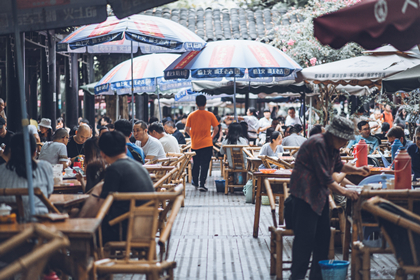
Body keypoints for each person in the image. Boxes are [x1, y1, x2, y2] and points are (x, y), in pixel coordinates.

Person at [286, 116, 369, 279]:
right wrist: (345, 192)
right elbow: (325, 177)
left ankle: (316, 277)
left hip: (319, 199)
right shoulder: (318, 143)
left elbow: (338, 166)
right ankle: (296, 277)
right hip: (304, 198)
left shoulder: (333, 147)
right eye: (345, 139)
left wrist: (358, 170)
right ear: (336, 135)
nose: (346, 143)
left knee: (322, 242)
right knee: (304, 244)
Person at [97, 131, 154, 243]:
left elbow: (103, 206)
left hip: (122, 230)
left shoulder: (113, 170)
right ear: (125, 149)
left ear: (102, 154)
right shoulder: (139, 166)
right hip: (146, 228)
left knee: (86, 230)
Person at [0, 133, 54, 220]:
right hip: (40, 221)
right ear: (34, 152)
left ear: (10, 151)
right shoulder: (45, 168)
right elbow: (48, 193)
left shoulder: (1, 171)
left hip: (9, 220)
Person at [185, 95, 219, 192]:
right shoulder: (210, 115)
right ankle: (202, 184)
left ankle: (195, 181)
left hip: (195, 144)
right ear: (205, 103)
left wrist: (192, 135)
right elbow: (216, 128)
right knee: (205, 164)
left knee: (196, 164)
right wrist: (211, 137)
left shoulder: (191, 115)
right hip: (207, 144)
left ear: (196, 103)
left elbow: (186, 129)